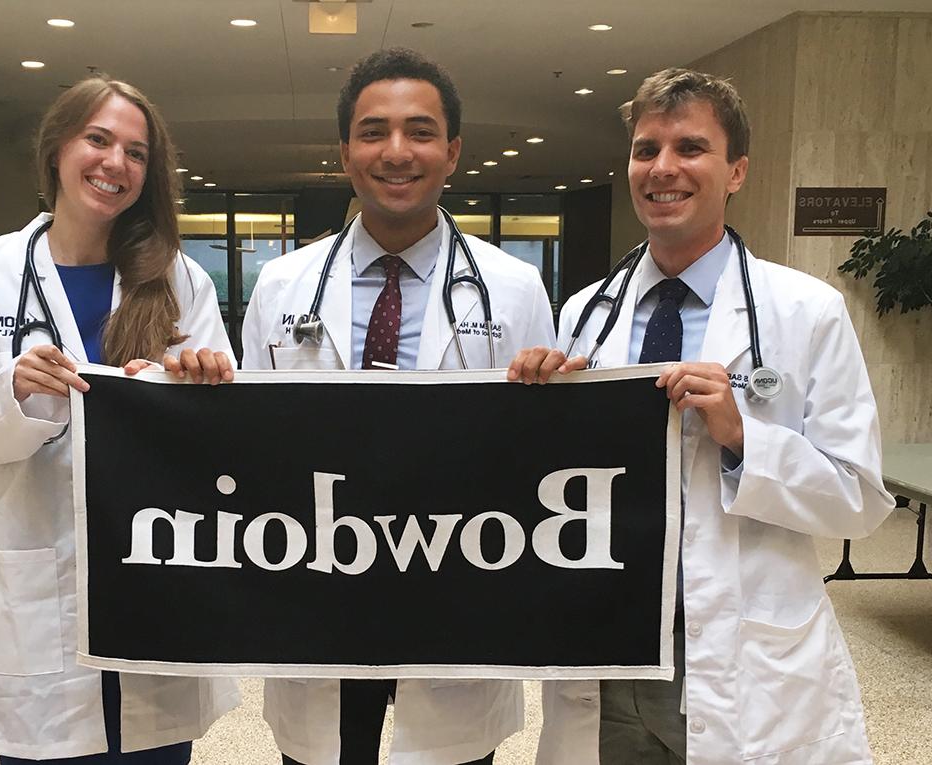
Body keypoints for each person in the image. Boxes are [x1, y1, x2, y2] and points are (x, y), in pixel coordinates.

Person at [508, 68, 894, 764]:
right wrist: (536, 410)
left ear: (737, 168)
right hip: (610, 644)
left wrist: (746, 438)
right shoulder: (585, 314)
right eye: (646, 148)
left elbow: (859, 499)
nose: (662, 169)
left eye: (690, 147)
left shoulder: (807, 312)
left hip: (740, 646)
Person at [241, 48, 555, 765]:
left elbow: (542, 455)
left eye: (419, 131)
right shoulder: (282, 285)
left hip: (457, 589)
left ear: (453, 152)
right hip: (317, 583)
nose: (396, 152)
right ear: (345, 150)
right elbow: (250, 447)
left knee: (446, 750)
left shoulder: (513, 290)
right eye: (373, 131)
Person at [0, 76, 237, 763]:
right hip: (39, 567)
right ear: (57, 148)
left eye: (136, 152)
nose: (115, 163)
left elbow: (221, 432)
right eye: (98, 139)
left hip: (155, 564)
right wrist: (17, 390)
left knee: (152, 745)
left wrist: (196, 389)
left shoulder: (182, 280)